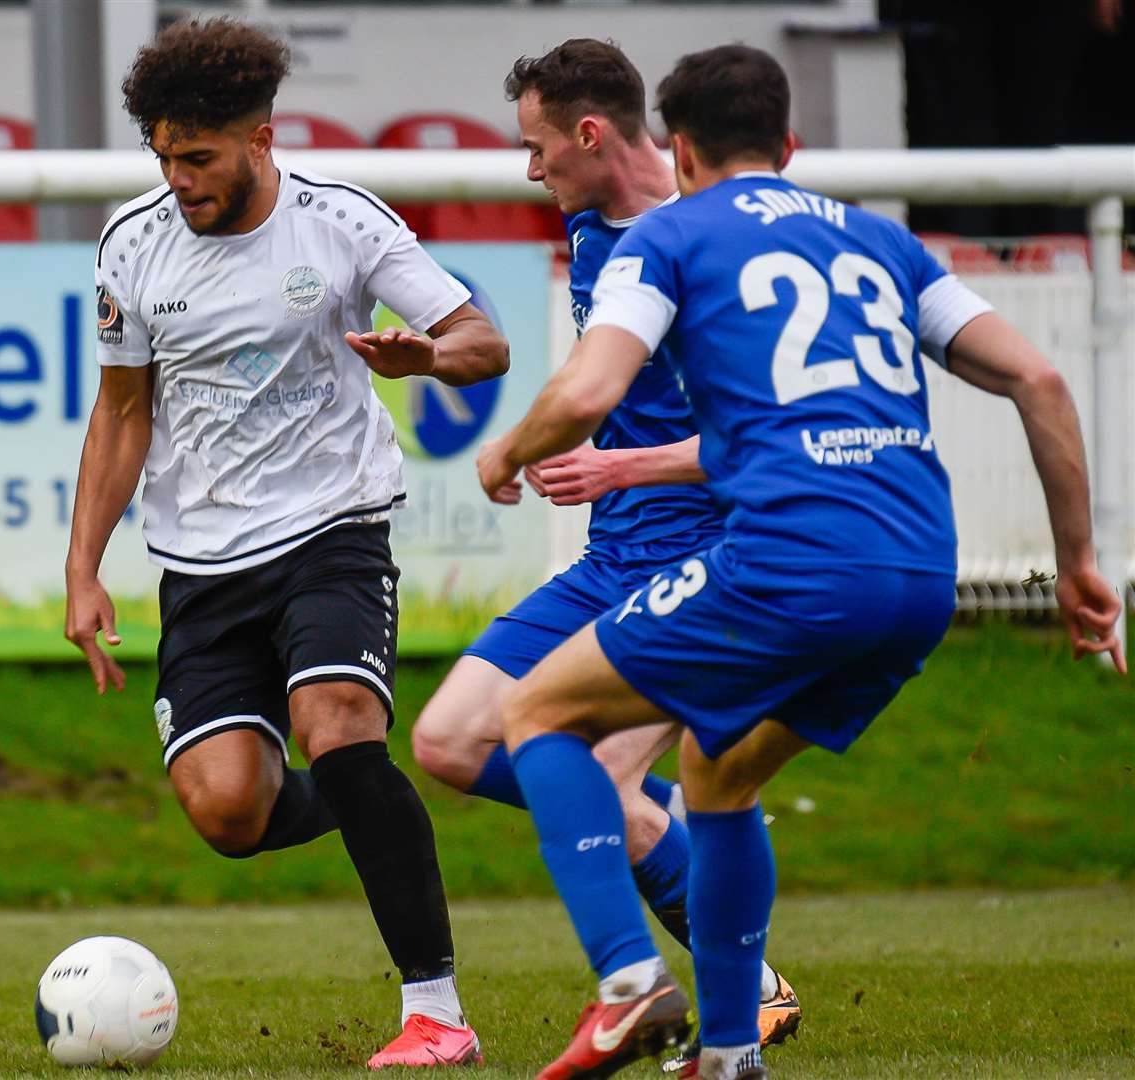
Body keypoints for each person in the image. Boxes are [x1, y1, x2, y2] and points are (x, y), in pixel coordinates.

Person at [476, 44, 1125, 1080]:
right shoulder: (881, 243)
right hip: (917, 575)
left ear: (676, 148)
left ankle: (630, 987)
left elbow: (588, 393)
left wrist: (505, 452)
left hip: (784, 561)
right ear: (788, 144)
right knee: (717, 774)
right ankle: (730, 1054)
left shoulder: (671, 235)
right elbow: (1039, 380)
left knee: (536, 715)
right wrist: (1076, 563)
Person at [64, 18, 509, 1069]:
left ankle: (435, 1012)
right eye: (164, 156)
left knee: (335, 721)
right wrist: (82, 568)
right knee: (227, 811)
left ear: (261, 141)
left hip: (331, 530)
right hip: (202, 564)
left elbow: (481, 342)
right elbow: (122, 411)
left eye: (199, 157)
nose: (178, 178)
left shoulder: (340, 225)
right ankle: (373, 797)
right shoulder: (132, 241)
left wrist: (425, 360)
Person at [409, 37, 799, 1063]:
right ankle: (710, 911)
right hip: (611, 558)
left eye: (536, 146)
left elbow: (772, 441)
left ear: (588, 134)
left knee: (601, 783)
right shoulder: (588, 230)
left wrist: (613, 464)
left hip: (711, 555)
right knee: (448, 741)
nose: (527, 169)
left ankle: (684, 989)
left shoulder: (710, 243)